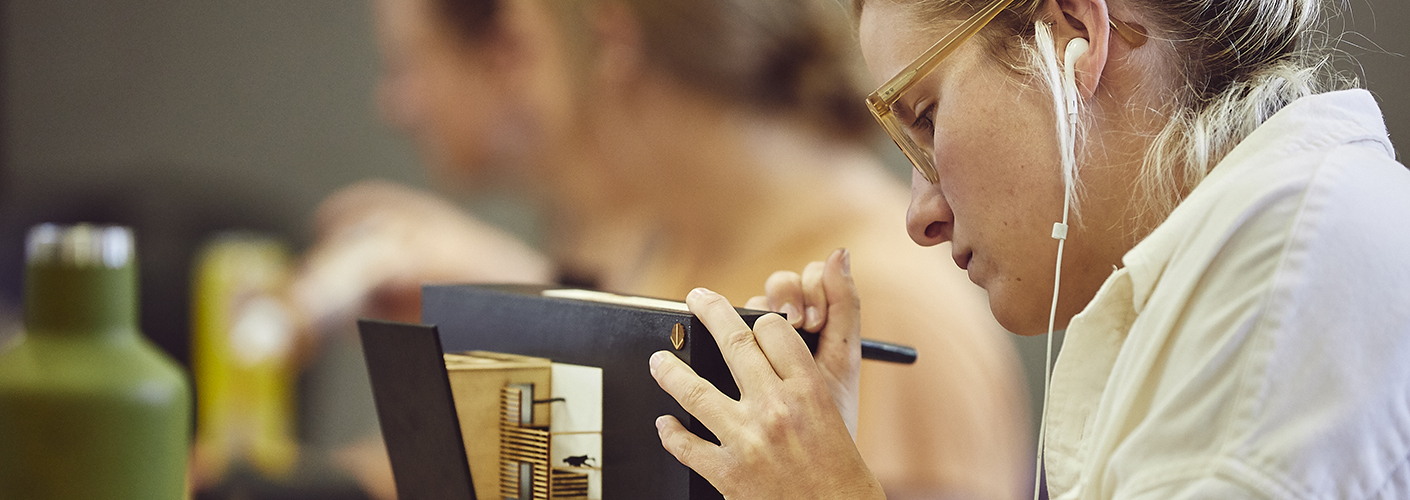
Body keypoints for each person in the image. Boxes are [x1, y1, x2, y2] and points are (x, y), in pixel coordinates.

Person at [648, 0, 1410, 498]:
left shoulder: (1287, 268)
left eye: (925, 117)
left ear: (1072, 33)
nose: (921, 217)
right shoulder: (1247, 264)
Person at [291, 0, 1033, 498]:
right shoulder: (671, 252)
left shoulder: (886, 297)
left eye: (530, 55)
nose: (527, 102)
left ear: (616, 46)